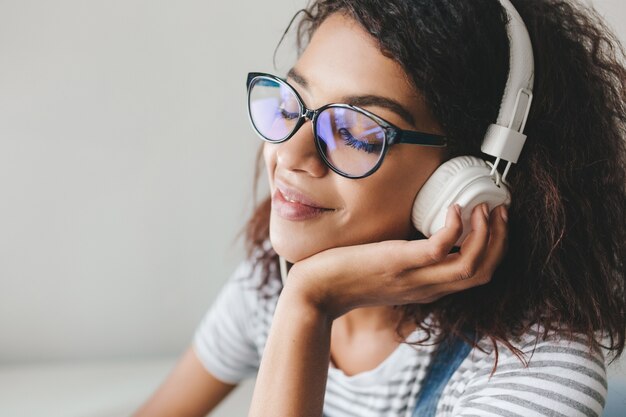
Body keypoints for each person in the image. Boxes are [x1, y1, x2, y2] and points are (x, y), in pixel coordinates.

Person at [133, 0, 626, 416]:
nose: (290, 154)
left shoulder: (538, 368)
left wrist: (309, 305)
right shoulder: (266, 289)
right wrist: (299, 301)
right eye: (292, 104)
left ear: (468, 176)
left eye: (355, 131)